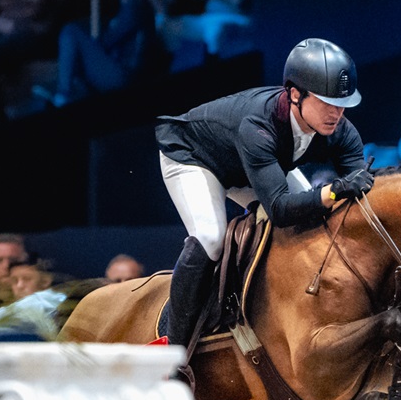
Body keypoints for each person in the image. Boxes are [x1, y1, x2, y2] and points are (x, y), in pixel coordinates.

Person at [154, 37, 371, 369]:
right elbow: (281, 211)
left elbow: (360, 195)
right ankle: (172, 355)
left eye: (342, 104)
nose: (337, 113)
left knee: (313, 221)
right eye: (327, 103)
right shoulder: (258, 125)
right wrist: (333, 191)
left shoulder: (340, 130)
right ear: (295, 93)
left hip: (250, 168)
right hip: (194, 157)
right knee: (211, 238)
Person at [36, 0, 158, 107]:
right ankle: (68, 89)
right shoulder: (128, 8)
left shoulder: (135, 6)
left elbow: (108, 40)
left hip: (126, 76)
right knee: (76, 41)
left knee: (71, 31)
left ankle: (65, 93)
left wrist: (92, 43)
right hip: (123, 71)